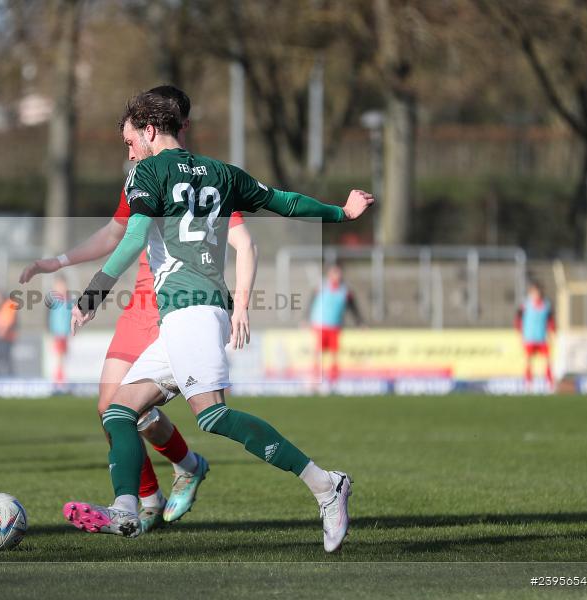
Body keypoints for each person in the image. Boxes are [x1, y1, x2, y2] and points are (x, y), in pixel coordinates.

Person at [65, 90, 373, 552]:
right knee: (119, 410)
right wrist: (341, 213)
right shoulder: (222, 172)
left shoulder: (147, 172)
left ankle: (326, 484)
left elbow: (130, 240)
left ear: (149, 131)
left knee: (212, 415)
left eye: (131, 140)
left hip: (192, 310)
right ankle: (126, 510)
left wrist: (94, 290)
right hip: (182, 315)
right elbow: (284, 202)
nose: (129, 151)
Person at [21, 85, 258, 532]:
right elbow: (116, 233)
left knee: (140, 409)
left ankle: (152, 494)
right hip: (140, 305)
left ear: (159, 130)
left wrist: (242, 302)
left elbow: (243, 241)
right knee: (110, 409)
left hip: (180, 302)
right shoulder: (142, 177)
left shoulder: (203, 179)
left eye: (131, 140)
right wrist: (59, 261)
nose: (130, 151)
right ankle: (155, 492)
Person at [308, 264, 362, 386]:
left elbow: (353, 307)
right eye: (334, 273)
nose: (336, 276)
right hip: (320, 325)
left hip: (334, 326)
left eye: (338, 273)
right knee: (318, 352)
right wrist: (305, 318)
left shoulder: (345, 290)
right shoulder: (321, 287)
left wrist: (359, 322)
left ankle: (333, 379)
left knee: (334, 353)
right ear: (329, 275)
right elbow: (311, 302)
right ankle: (316, 377)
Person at [515, 282, 555, 390]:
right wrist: (519, 333)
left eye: (537, 292)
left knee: (548, 360)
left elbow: (550, 320)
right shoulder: (526, 304)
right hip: (529, 337)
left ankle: (549, 383)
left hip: (542, 337)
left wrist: (551, 333)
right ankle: (528, 383)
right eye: (534, 292)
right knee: (528, 361)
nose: (536, 294)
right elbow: (518, 318)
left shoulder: (546, 304)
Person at [47, 275, 73, 391]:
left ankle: (60, 381)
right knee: (58, 358)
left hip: (65, 334)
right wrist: (50, 333)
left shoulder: (69, 301)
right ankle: (58, 382)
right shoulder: (53, 301)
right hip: (57, 334)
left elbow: (72, 317)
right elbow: (48, 318)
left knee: (62, 358)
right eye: (57, 285)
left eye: (62, 285)